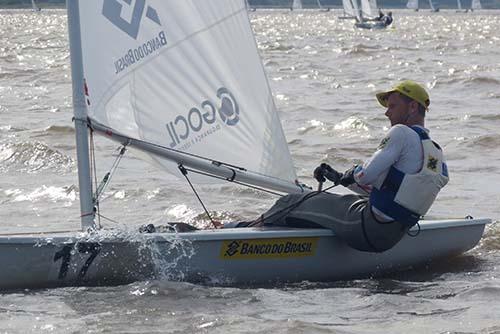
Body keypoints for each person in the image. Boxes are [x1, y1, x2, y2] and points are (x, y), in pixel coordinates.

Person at [227, 80, 449, 253]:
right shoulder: (436, 154)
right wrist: (338, 178)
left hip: (367, 229)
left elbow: (365, 176)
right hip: (393, 236)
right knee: (312, 210)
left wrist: (353, 173)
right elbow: (387, 193)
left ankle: (231, 234)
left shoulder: (400, 133)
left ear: (412, 107)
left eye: (392, 106)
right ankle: (242, 227)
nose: (386, 112)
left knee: (293, 200)